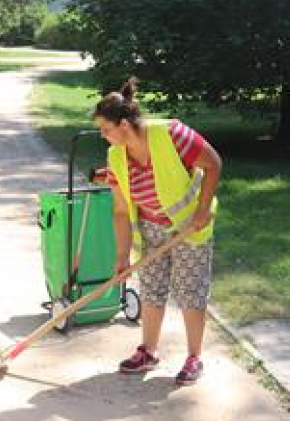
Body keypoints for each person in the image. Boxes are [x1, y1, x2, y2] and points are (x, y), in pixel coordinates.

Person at [93, 77, 222, 386]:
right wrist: (122, 256)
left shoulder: (171, 133)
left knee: (190, 292)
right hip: (150, 230)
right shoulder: (115, 157)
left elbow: (214, 163)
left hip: (189, 227)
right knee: (152, 290)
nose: (103, 136)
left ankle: (194, 357)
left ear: (123, 124)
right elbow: (122, 211)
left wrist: (203, 209)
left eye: (105, 129)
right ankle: (148, 352)